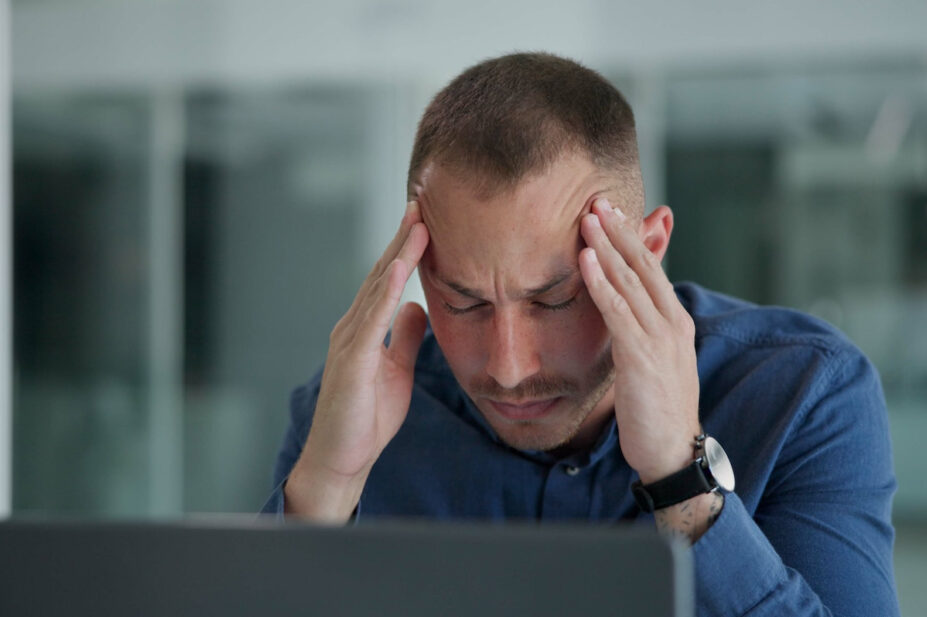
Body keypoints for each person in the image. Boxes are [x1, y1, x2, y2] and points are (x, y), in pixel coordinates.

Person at [261, 52, 899, 616]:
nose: (507, 368)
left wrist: (680, 476)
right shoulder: (352, 415)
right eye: (463, 303)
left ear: (646, 251)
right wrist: (326, 491)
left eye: (554, 299)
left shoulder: (806, 392)